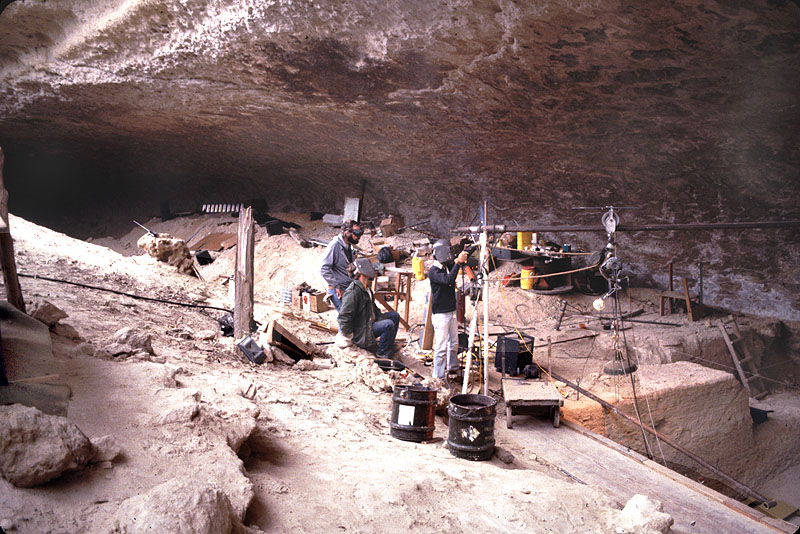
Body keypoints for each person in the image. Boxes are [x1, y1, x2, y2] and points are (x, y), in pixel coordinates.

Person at [336, 258, 400, 359]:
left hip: (369, 323)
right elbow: (343, 317)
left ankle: (388, 346)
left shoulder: (366, 288)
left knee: (394, 316)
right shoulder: (353, 292)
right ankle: (382, 354)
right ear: (360, 272)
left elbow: (373, 310)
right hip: (362, 331)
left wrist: (380, 317)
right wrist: (349, 336)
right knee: (388, 325)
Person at [428, 239, 469, 380]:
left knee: (454, 343)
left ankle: (453, 367)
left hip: (450, 312)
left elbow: (454, 265)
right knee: (440, 347)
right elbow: (448, 280)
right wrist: (458, 262)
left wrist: (467, 250)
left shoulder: (445, 265)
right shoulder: (434, 271)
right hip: (441, 314)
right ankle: (438, 377)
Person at [320, 220, 363, 311]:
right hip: (339, 290)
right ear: (347, 233)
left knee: (352, 319)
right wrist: (337, 286)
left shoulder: (348, 246)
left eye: (361, 232)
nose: (359, 236)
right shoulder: (335, 246)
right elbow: (324, 269)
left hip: (347, 287)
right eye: (357, 233)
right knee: (346, 321)